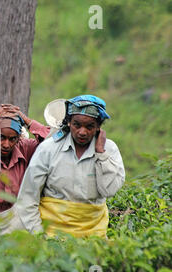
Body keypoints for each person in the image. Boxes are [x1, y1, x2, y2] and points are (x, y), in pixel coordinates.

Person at [14, 95, 125, 238]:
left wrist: (101, 154)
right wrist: (40, 235)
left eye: (89, 126)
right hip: (52, 236)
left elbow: (109, 190)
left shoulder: (109, 149)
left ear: (98, 126)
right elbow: (28, 198)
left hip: (94, 236)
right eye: (77, 125)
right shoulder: (48, 149)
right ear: (69, 123)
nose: (82, 132)